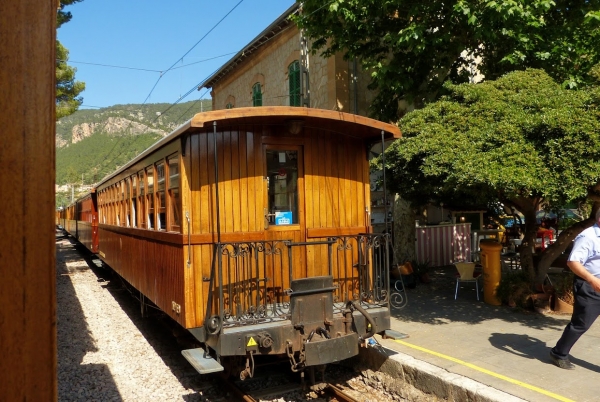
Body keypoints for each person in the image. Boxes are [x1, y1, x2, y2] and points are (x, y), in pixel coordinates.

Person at [550, 208, 600, 369]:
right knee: (581, 323)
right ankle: (559, 353)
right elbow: (573, 262)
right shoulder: (588, 236)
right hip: (590, 286)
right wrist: (592, 280)